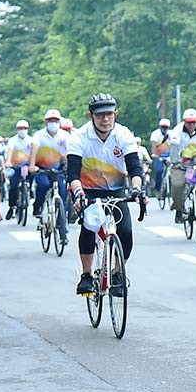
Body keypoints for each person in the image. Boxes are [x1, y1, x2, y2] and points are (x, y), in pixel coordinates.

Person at [69, 93, 145, 297]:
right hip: (88, 191)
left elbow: (135, 169)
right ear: (90, 116)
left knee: (126, 231)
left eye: (109, 114)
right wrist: (78, 194)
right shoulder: (79, 137)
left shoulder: (123, 135)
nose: (105, 119)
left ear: (115, 114)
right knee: (89, 227)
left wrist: (136, 189)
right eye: (100, 115)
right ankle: (86, 275)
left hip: (116, 191)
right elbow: (73, 173)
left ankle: (118, 273)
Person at [169, 108, 196, 224]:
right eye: (189, 122)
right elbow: (174, 148)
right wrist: (174, 162)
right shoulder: (177, 131)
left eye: (193, 122)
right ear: (184, 121)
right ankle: (179, 209)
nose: (191, 125)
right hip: (181, 162)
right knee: (177, 185)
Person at [29, 109, 70, 222]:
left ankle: (62, 224)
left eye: (56, 120)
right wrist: (32, 166)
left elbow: (70, 151)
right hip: (42, 168)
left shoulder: (65, 135)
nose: (53, 123)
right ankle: (37, 206)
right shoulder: (39, 135)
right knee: (43, 185)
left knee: (63, 192)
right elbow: (34, 151)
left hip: (59, 168)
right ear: (46, 122)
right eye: (50, 120)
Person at [5, 120, 33, 220]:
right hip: (15, 165)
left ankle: (31, 190)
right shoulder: (13, 140)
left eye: (24, 128)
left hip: (27, 165)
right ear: (17, 130)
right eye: (20, 128)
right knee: (13, 186)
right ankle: (12, 206)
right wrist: (8, 161)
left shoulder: (31, 140)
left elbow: (34, 152)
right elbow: (10, 150)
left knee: (34, 174)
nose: (22, 130)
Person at [149, 117, 172, 194]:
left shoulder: (172, 134)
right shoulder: (155, 134)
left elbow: (175, 147)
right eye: (163, 127)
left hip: (169, 156)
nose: (164, 129)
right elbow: (153, 147)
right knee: (159, 171)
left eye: (166, 127)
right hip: (159, 156)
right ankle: (158, 189)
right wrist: (156, 155)